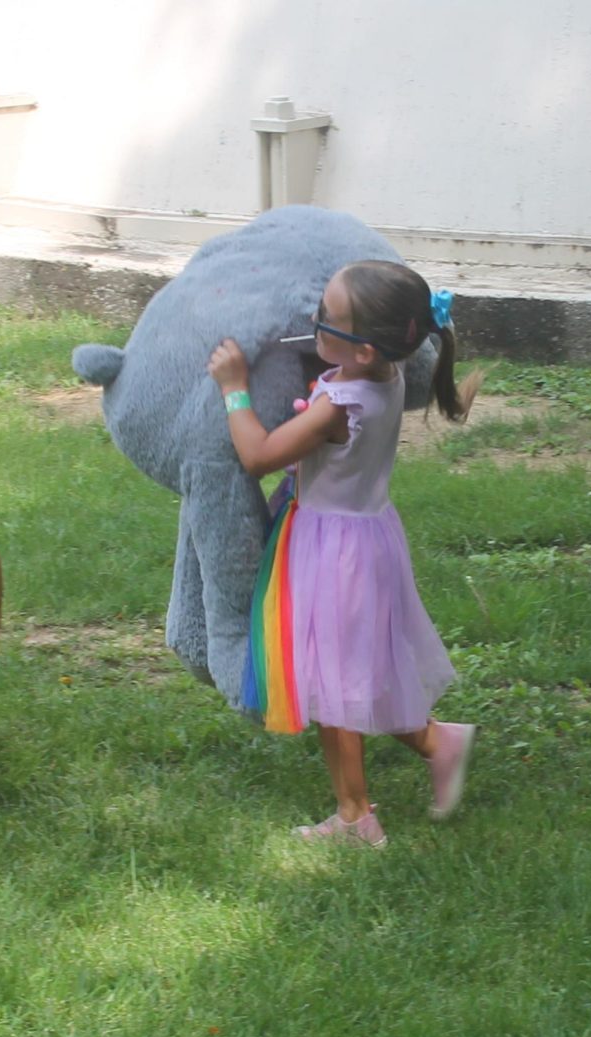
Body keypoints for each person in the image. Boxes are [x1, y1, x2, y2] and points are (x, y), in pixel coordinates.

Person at [207, 260, 482, 847]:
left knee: (332, 685)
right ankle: (439, 744)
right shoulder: (388, 377)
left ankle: (356, 817)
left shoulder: (337, 403)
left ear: (362, 350)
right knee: (361, 674)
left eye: (325, 320)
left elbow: (259, 456)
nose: (312, 326)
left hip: (331, 553)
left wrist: (235, 390)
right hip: (369, 540)